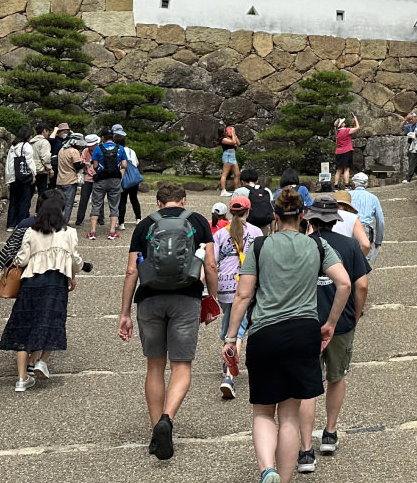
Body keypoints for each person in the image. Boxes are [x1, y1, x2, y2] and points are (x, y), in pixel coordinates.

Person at [223, 187, 351, 483]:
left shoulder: (259, 247)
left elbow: (243, 296)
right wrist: (330, 322)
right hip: (303, 332)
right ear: (303, 215)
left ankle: (267, 469)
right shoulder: (317, 247)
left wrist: (231, 339)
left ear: (275, 217)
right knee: (290, 417)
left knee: (264, 413)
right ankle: (283, 477)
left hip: (265, 334)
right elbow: (343, 283)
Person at [117, 182, 219, 461]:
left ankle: (155, 430)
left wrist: (125, 313)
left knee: (154, 366)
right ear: (183, 201)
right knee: (181, 365)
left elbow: (130, 271)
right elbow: (210, 264)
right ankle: (167, 418)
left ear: (158, 203)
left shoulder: (144, 225)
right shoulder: (197, 221)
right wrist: (211, 297)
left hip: (149, 299)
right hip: (186, 298)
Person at [298, 196, 370, 467]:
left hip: (306, 322)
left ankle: (305, 450)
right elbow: (361, 285)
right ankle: (329, 433)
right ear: (336, 220)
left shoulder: (303, 245)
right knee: (336, 377)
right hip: (341, 322)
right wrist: (356, 314)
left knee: (306, 385)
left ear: (311, 219)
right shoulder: (350, 246)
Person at [0, 192, 82, 392]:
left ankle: (21, 379)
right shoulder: (69, 232)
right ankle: (41, 361)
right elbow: (75, 259)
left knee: (25, 325)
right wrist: (73, 273)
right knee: (52, 322)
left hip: (31, 283)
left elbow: (21, 259)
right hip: (56, 283)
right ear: (61, 212)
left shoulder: (31, 231)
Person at [215, 195, 262, 400]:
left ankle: (226, 352)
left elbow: (212, 262)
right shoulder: (255, 232)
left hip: (223, 286)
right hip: (244, 284)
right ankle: (228, 376)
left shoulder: (220, 234)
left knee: (229, 322)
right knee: (239, 330)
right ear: (248, 211)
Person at [89, 132, 126, 240]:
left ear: (103, 138)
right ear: (113, 137)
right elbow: (124, 164)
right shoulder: (120, 148)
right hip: (115, 179)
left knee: (96, 204)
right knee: (114, 205)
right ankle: (112, 231)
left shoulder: (98, 148)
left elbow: (95, 165)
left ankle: (93, 231)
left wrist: (97, 169)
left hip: (101, 179)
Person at [348, 173, 385, 266]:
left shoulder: (347, 195)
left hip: (348, 229)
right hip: (366, 231)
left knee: (348, 261)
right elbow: (380, 221)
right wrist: (378, 240)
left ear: (353, 184)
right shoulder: (373, 198)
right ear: (366, 184)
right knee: (364, 264)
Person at [5, 128, 38, 229]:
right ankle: (21, 224)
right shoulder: (26, 146)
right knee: (25, 200)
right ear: (27, 136)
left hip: (13, 177)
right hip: (24, 177)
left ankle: (10, 224)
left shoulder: (13, 146)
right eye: (30, 135)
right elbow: (29, 162)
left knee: (14, 200)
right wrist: (34, 174)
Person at [114, 127, 142, 231]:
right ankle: (138, 218)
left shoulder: (117, 151)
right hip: (133, 178)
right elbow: (136, 163)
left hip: (123, 177)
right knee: (134, 198)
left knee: (122, 200)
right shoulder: (131, 151)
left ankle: (121, 223)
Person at [56, 133, 87, 223]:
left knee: (60, 203)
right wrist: (85, 164)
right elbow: (77, 166)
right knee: (68, 204)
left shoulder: (61, 150)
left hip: (60, 179)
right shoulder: (74, 151)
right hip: (70, 180)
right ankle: (64, 223)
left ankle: (57, 221)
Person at [330, 192, 372, 256]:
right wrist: (358, 259)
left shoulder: (324, 216)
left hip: (326, 255)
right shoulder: (353, 218)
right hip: (345, 255)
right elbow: (365, 245)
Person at [73, 134, 100, 228]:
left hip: (98, 177)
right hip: (88, 177)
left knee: (98, 199)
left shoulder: (100, 150)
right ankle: (79, 219)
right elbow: (82, 162)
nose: (89, 146)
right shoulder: (85, 151)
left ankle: (100, 219)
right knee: (84, 198)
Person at [240, 170, 275, 234]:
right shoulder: (266, 190)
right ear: (257, 181)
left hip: (246, 228)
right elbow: (272, 211)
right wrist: (272, 230)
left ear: (242, 182)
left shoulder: (239, 191)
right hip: (264, 226)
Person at [332, 115, 359, 189]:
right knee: (346, 169)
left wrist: (352, 124)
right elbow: (357, 128)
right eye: (343, 122)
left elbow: (349, 130)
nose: (344, 123)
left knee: (339, 170)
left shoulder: (338, 132)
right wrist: (356, 120)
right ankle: (347, 185)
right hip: (346, 151)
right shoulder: (345, 130)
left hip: (339, 152)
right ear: (341, 125)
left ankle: (336, 186)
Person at [30, 123, 55, 194]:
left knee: (30, 192)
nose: (48, 133)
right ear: (44, 131)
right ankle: (40, 205)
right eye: (47, 131)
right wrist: (50, 168)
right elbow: (46, 157)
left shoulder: (31, 142)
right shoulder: (44, 142)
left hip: (31, 169)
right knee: (42, 192)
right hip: (41, 170)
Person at [219, 126, 242, 197]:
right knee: (225, 174)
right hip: (228, 155)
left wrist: (234, 134)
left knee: (237, 174)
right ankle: (223, 191)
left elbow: (238, 143)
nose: (227, 132)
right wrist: (232, 133)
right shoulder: (223, 139)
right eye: (226, 131)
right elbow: (233, 142)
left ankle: (236, 190)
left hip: (233, 156)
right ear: (223, 133)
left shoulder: (230, 137)